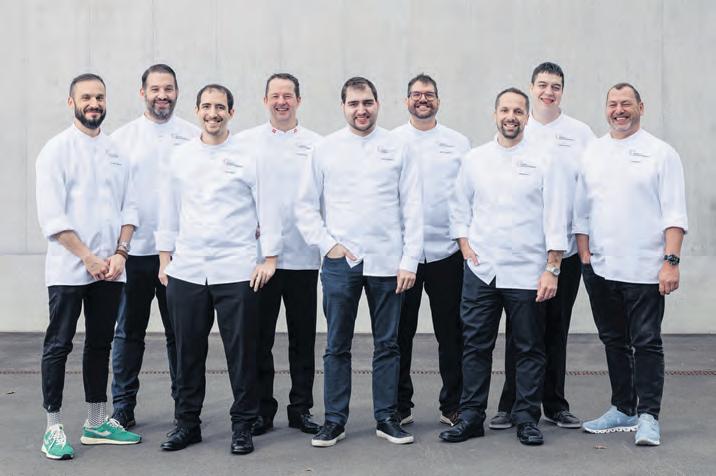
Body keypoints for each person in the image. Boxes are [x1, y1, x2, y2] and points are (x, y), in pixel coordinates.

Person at [295, 77, 423, 447]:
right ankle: (334, 420)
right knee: (337, 345)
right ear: (343, 107)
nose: (361, 110)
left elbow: (413, 207)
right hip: (342, 263)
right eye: (353, 103)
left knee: (388, 344)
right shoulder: (325, 149)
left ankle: (387, 417)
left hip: (388, 261)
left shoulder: (398, 147)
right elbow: (304, 205)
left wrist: (409, 261)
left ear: (377, 104)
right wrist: (327, 245)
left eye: (367, 102)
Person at [156, 84, 281, 455]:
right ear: (197, 111)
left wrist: (269, 259)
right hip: (188, 269)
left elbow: (269, 208)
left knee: (242, 354)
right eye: (207, 106)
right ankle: (186, 424)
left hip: (236, 270)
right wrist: (165, 259)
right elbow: (168, 209)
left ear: (231, 112)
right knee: (187, 353)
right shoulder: (180, 156)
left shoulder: (250, 156)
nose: (213, 113)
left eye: (220, 107)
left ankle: (243, 426)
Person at [440, 87, 568, 446]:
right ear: (495, 114)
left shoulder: (546, 159)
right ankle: (470, 416)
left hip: (528, 270)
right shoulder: (475, 159)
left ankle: (526, 418)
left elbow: (557, 215)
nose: (511, 117)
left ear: (526, 117)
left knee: (529, 348)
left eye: (518, 111)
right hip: (482, 270)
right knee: (475, 346)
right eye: (505, 110)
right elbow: (458, 206)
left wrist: (552, 267)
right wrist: (464, 245)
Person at [36, 73, 142, 460]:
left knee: (100, 344)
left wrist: (120, 253)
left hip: (111, 269)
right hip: (69, 268)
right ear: (71, 103)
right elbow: (52, 216)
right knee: (59, 345)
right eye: (86, 97)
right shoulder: (55, 151)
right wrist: (87, 256)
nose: (93, 103)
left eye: (99, 97)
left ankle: (97, 423)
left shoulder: (117, 151)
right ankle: (53, 427)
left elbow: (130, 208)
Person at [576, 83, 688, 446]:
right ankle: (623, 408)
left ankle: (648, 416)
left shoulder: (661, 153)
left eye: (626, 103)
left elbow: (674, 212)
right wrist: (585, 256)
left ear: (641, 106)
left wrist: (671, 262)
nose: (619, 110)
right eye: (613, 104)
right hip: (601, 267)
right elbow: (581, 210)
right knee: (613, 340)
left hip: (645, 267)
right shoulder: (593, 151)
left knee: (646, 342)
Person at [492, 62, 595, 430]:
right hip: (523, 251)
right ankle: (511, 404)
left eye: (556, 86)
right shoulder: (518, 127)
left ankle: (554, 404)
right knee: (519, 331)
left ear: (562, 91)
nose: (548, 92)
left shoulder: (581, 134)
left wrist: (583, 240)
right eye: (542, 85)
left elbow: (588, 189)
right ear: (531, 88)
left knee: (555, 328)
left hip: (564, 251)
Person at [110, 64, 200, 429]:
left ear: (177, 92)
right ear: (142, 93)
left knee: (180, 335)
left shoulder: (193, 136)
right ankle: (122, 407)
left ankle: (184, 410)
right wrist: (117, 248)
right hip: (134, 253)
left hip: (179, 255)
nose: (162, 95)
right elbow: (113, 196)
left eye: (169, 89)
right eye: (155, 89)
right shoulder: (121, 139)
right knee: (128, 333)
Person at [239, 73, 322, 436]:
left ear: (298, 101)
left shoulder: (317, 145)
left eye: (288, 96)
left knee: (303, 339)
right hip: (261, 261)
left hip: (304, 257)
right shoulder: (245, 142)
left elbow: (323, 199)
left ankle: (301, 408)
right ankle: (262, 410)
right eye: (275, 96)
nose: (281, 102)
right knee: (260, 339)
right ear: (265, 100)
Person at [392, 73, 469, 427]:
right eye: (416, 94)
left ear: (438, 100)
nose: (423, 99)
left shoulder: (458, 142)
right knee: (399, 333)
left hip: (446, 252)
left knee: (451, 333)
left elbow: (466, 195)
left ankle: (453, 404)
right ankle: (399, 405)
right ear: (406, 100)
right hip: (403, 255)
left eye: (429, 94)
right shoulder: (391, 141)